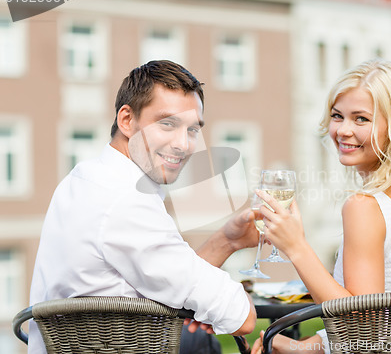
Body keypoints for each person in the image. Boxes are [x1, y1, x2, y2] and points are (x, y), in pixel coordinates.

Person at [28, 60, 257, 354]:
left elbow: (165, 278)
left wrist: (227, 240)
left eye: (192, 130)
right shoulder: (125, 200)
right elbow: (242, 317)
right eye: (168, 124)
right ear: (126, 120)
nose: (184, 145)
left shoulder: (85, 178)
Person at [251, 59, 391, 354]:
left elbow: (359, 325)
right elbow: (388, 325)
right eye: (338, 116)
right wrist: (301, 347)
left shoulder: (364, 206)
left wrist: (295, 246)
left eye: (361, 119)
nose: (343, 130)